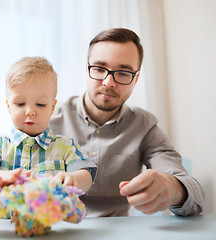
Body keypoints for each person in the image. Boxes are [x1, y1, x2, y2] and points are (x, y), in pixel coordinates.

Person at [49, 28, 204, 217]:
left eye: (122, 73)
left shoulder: (145, 127)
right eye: (99, 68)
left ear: (136, 79)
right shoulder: (48, 119)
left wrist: (173, 188)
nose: (108, 82)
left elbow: (194, 193)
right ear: (87, 69)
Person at [0, 57, 97, 193]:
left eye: (40, 104)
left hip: (51, 214)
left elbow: (86, 177)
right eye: (20, 104)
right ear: (9, 106)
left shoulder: (66, 146)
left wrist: (73, 179)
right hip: (7, 214)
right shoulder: (1, 146)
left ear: (52, 107)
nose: (30, 111)